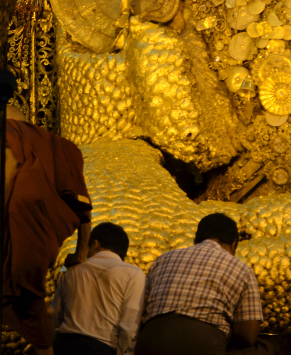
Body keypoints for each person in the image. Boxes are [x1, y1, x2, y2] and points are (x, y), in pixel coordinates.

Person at [3, 105, 92, 355]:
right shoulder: (57, 146)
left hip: (16, 224)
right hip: (40, 237)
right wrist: (81, 252)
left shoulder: (10, 133)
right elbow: (83, 206)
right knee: (29, 303)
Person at [135, 212, 271, 355]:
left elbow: (143, 310)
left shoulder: (162, 259)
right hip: (202, 344)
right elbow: (248, 335)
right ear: (234, 243)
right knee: (263, 348)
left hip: (150, 341)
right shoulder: (242, 269)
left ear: (196, 240)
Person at [52, 221, 146, 355]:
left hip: (63, 345)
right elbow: (129, 327)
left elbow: (55, 315)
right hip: (101, 348)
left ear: (94, 244)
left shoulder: (69, 271)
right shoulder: (134, 274)